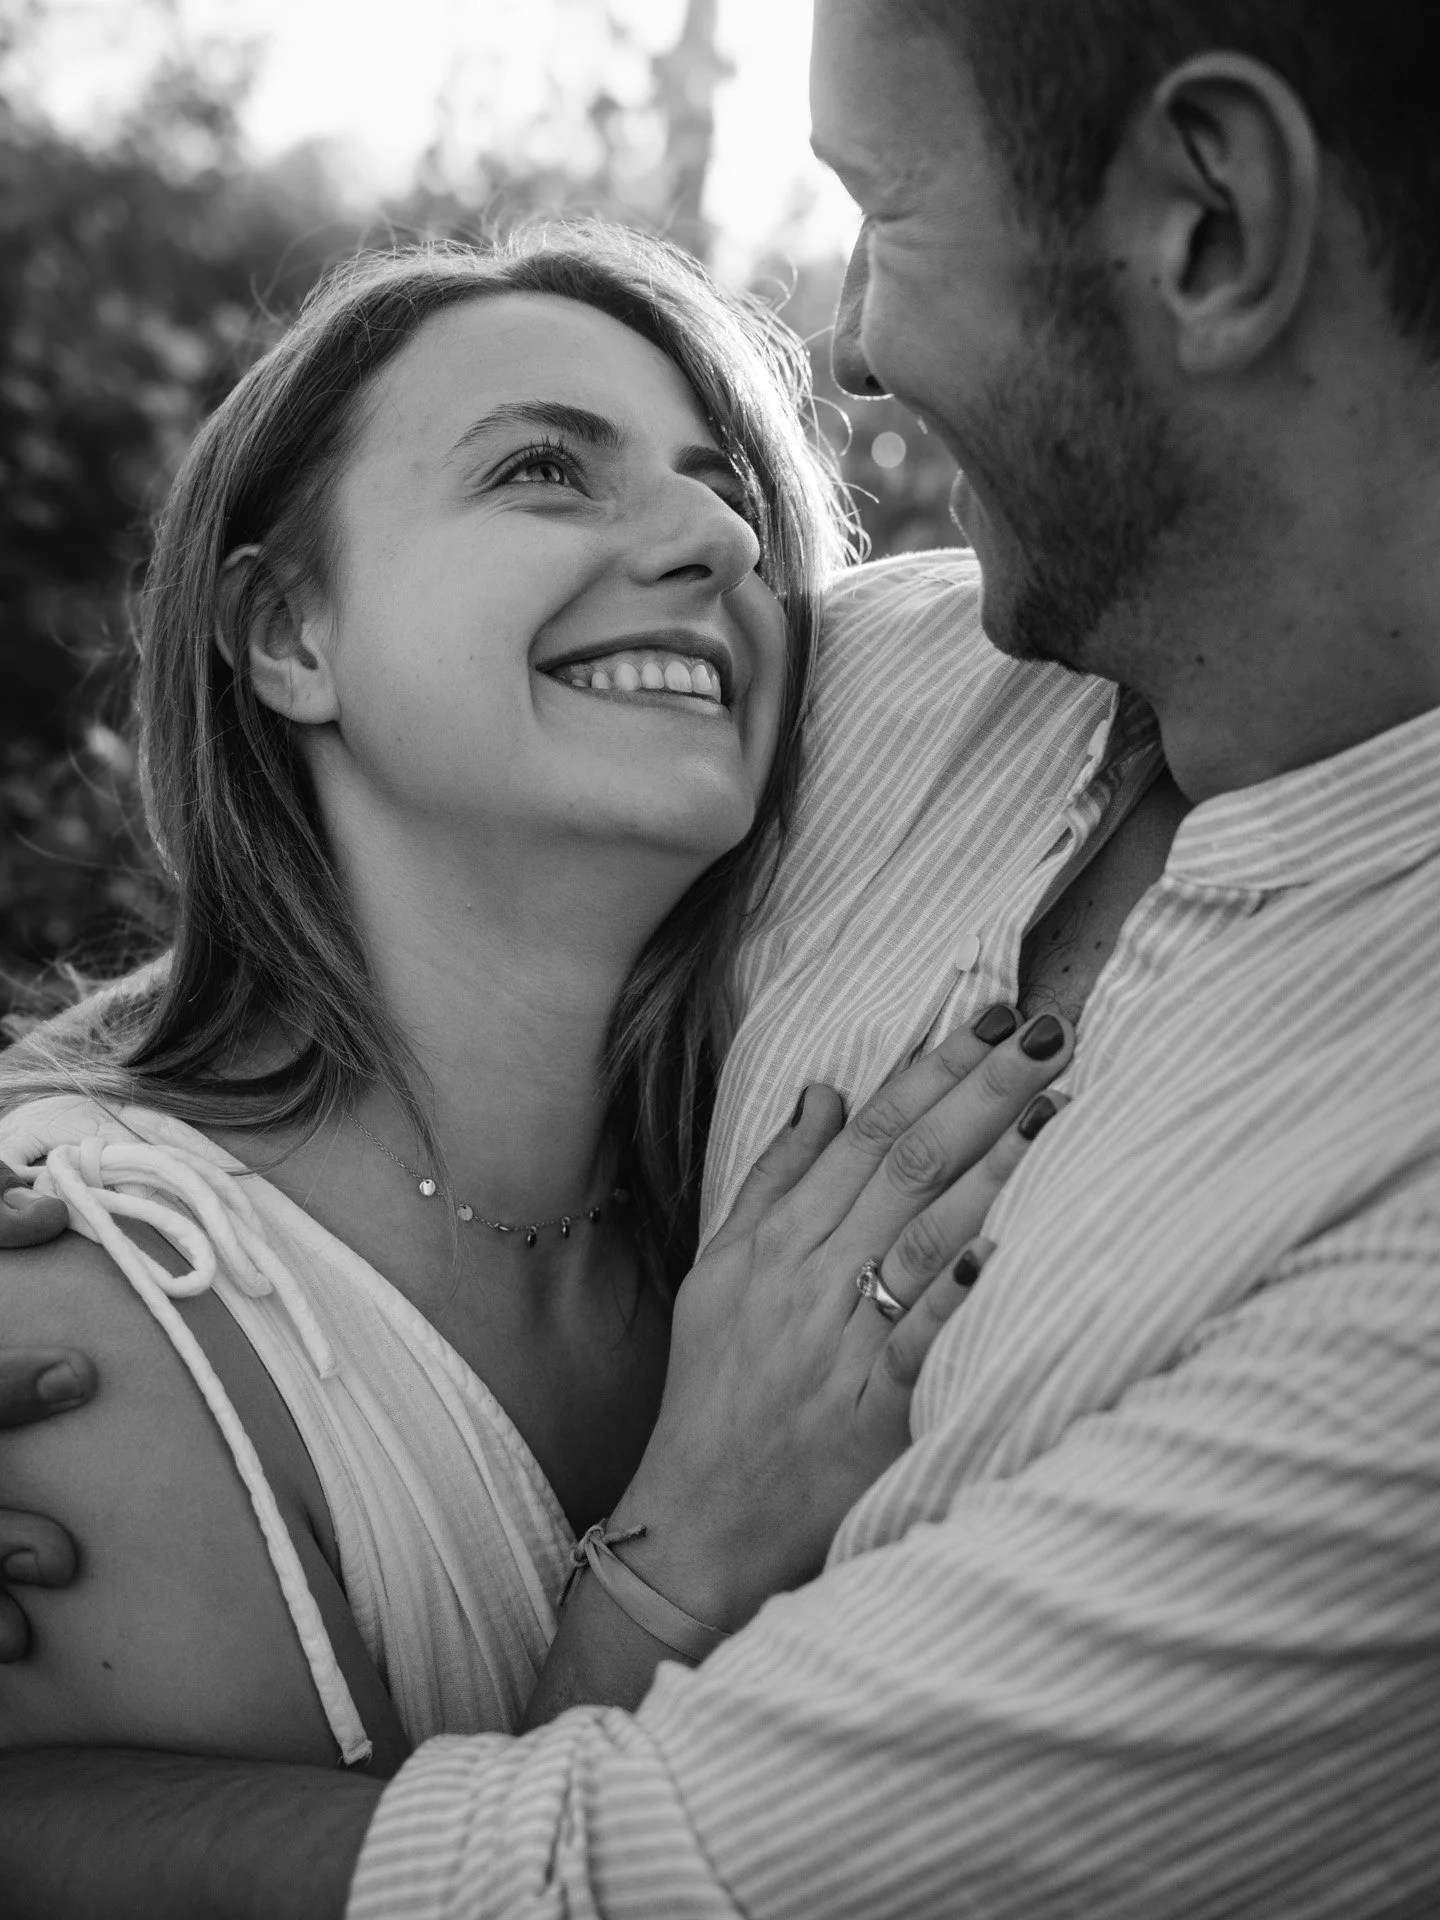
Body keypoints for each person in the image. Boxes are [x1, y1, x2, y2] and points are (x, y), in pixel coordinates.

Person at [4, 0, 1440, 1913]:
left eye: (886, 205)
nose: (842, 346)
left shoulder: (1392, 1257)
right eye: (545, 467)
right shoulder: (917, 676)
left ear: (1208, 221)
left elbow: (624, 1880)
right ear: (285, 635)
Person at [0, 225, 1079, 1777]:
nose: (714, 541)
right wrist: (691, 1546)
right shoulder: (93, 1314)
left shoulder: (752, 1200)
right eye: (543, 473)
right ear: (291, 634)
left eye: (731, 494)